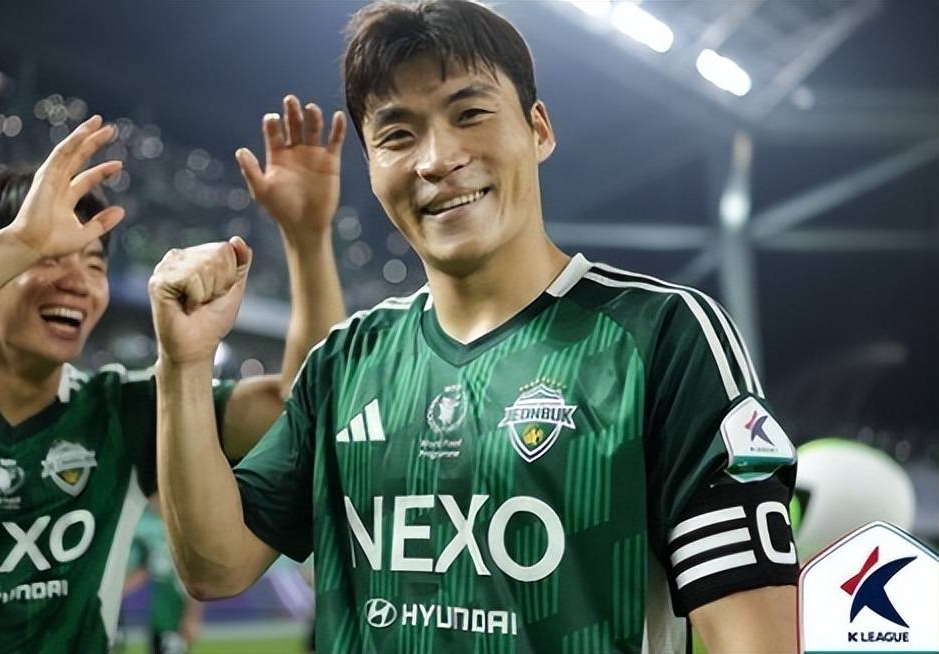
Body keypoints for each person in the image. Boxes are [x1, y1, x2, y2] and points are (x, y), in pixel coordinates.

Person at [151, 2, 800, 652]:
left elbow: (754, 640)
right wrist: (184, 362)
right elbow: (215, 565)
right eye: (397, 135)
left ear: (538, 129)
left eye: (470, 114)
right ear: (371, 169)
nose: (437, 159)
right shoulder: (345, 362)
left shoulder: (662, 337)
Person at [0, 108, 347, 652]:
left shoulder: (125, 410)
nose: (77, 282)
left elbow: (300, 408)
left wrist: (308, 239)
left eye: (94, 264)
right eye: (50, 257)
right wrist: (20, 242)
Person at [123, 496, 203, 654]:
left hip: (176, 614)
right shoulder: (151, 530)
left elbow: (197, 581)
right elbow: (144, 571)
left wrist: (192, 617)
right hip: (159, 617)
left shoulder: (183, 531)